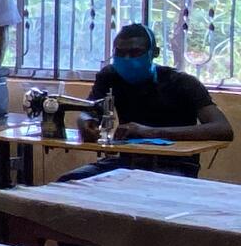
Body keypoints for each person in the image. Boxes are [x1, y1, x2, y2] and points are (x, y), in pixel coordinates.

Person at [65, 24, 234, 180]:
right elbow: (89, 110)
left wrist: (150, 132)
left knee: (145, 194)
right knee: (68, 182)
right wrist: (85, 122)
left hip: (174, 165)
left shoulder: (182, 83)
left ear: (155, 53)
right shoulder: (110, 76)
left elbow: (223, 129)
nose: (127, 58)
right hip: (126, 162)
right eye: (120, 53)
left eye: (135, 52)